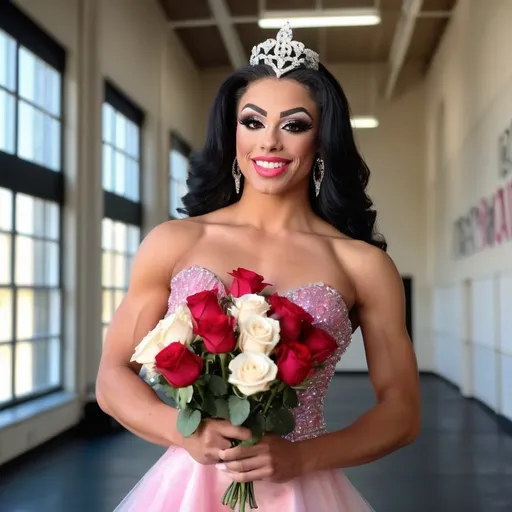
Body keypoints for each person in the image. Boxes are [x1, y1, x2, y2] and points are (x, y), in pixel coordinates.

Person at [96, 23, 420, 511]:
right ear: (232, 133)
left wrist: (303, 458)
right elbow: (111, 376)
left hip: (301, 489)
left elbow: (402, 412)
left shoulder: (362, 265)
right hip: (188, 489)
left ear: (321, 140)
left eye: (294, 125)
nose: (269, 142)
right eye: (252, 122)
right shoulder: (175, 242)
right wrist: (186, 434)